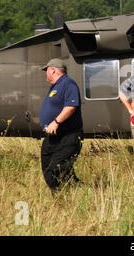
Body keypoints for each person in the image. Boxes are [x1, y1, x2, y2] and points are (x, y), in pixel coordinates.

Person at [39, 58, 83, 193]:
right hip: (53, 137)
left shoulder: (68, 84)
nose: (46, 73)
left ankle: (71, 192)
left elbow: (71, 106)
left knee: (57, 166)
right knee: (47, 166)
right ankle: (58, 195)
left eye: (46, 70)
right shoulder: (55, 86)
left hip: (68, 136)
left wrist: (56, 122)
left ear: (53, 70)